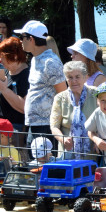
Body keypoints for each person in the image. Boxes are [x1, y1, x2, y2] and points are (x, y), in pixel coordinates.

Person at [14, 20, 67, 150]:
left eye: (22, 37)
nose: (21, 41)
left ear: (31, 39)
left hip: (46, 125)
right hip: (35, 123)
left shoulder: (50, 62)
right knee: (34, 164)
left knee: (45, 166)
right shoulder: (35, 59)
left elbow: (63, 94)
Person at [50, 61, 98, 160]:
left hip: (92, 153)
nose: (74, 81)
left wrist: (99, 139)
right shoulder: (60, 98)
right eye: (70, 77)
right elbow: (54, 126)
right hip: (67, 153)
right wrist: (63, 139)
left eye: (77, 77)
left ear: (85, 77)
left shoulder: (95, 94)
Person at [0, 37, 30, 153]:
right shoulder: (6, 72)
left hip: (15, 130)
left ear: (14, 56)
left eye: (2, 57)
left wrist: (3, 89)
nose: (0, 60)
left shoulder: (26, 75)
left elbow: (24, 107)